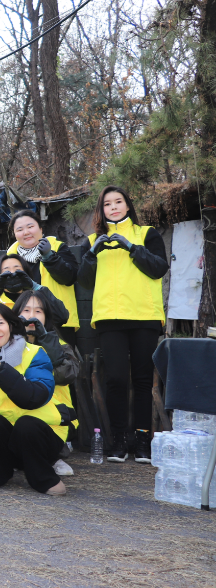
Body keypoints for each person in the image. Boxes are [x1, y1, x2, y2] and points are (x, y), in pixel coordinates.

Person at [78, 185, 168, 463]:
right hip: (109, 318)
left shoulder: (147, 234)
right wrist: (92, 253)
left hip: (144, 316)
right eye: (107, 204)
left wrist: (131, 248)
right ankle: (118, 439)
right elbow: (83, 280)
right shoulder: (92, 240)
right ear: (101, 210)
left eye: (119, 202)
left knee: (142, 381)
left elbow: (158, 268)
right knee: (115, 378)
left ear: (128, 206)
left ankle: (142, 440)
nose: (113, 207)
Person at [0, 303, 73, 495]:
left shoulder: (35, 353)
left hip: (42, 436)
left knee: (26, 424)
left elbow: (33, 397)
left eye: (0, 323)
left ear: (10, 325)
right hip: (6, 440)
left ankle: (42, 476)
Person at [13, 289, 80, 477]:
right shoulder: (7, 343)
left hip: (54, 413)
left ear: (46, 316)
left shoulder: (59, 344)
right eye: (26, 310)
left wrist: (49, 345)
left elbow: (66, 375)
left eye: (38, 311)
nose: (31, 316)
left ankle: (53, 458)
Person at [6, 211, 79, 342]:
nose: (26, 232)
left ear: (40, 228)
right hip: (23, 323)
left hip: (59, 320)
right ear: (15, 234)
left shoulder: (57, 247)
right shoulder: (9, 259)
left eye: (30, 227)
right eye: (20, 229)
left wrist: (49, 256)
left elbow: (69, 278)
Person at [0, 255, 70, 328]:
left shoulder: (36, 297)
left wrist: (35, 287)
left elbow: (61, 317)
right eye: (6, 271)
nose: (12, 273)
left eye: (17, 270)